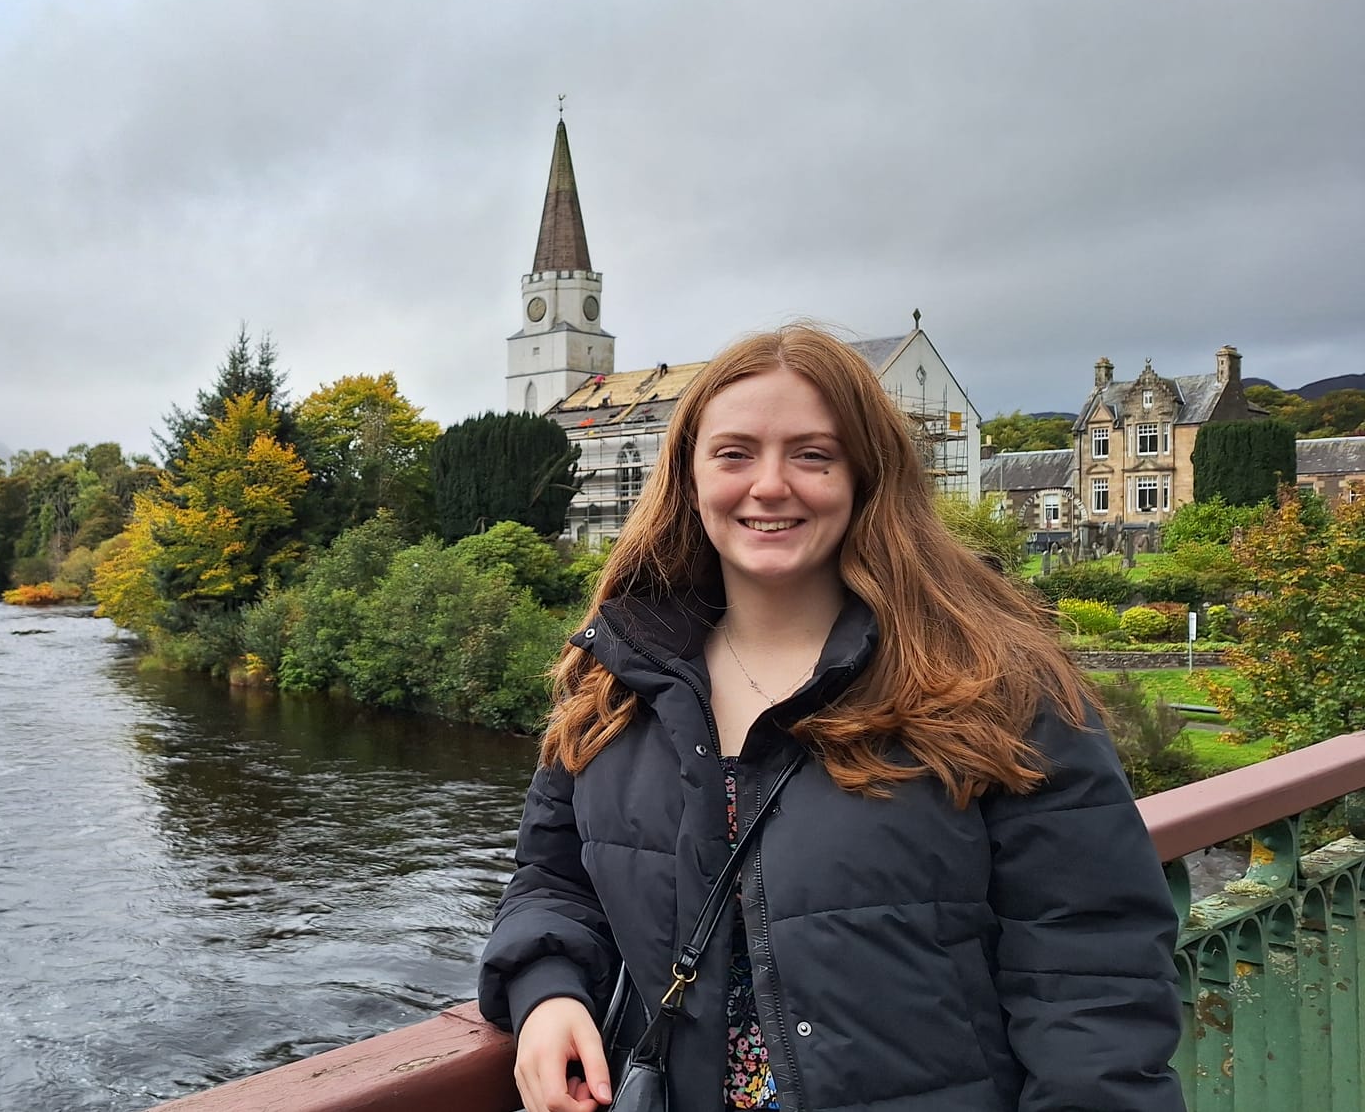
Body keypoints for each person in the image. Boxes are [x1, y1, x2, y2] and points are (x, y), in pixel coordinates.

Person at [477, 325, 1185, 1111]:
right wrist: (547, 992)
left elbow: (1092, 971)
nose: (770, 484)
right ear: (688, 476)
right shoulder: (616, 677)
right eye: (735, 453)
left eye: (812, 454)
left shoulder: (995, 683)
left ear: (864, 476)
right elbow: (552, 878)